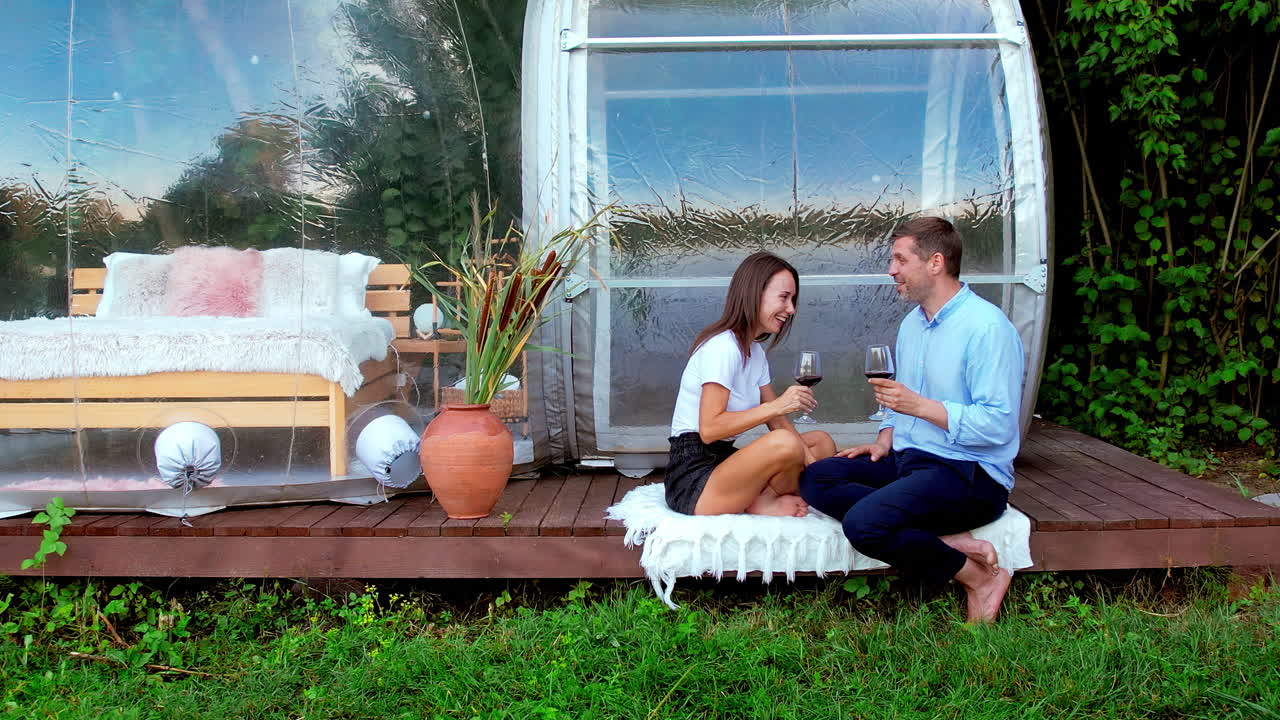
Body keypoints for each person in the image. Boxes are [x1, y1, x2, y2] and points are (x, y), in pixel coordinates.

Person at [799, 217, 1024, 623]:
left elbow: (999, 425)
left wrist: (920, 407)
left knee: (864, 524)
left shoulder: (987, 329)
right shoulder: (912, 325)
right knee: (818, 477)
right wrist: (886, 435)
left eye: (900, 260)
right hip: (912, 461)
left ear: (935, 263)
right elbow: (897, 403)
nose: (891, 270)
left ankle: (978, 579)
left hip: (970, 474)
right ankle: (944, 539)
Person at [665, 251, 836, 517]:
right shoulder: (722, 348)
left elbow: (778, 420)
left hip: (725, 462)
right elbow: (710, 429)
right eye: (784, 298)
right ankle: (762, 503)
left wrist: (812, 464)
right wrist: (778, 406)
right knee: (784, 443)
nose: (791, 309)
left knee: (820, 443)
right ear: (755, 293)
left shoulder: (754, 352)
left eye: (792, 300)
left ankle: (762, 498)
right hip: (694, 480)